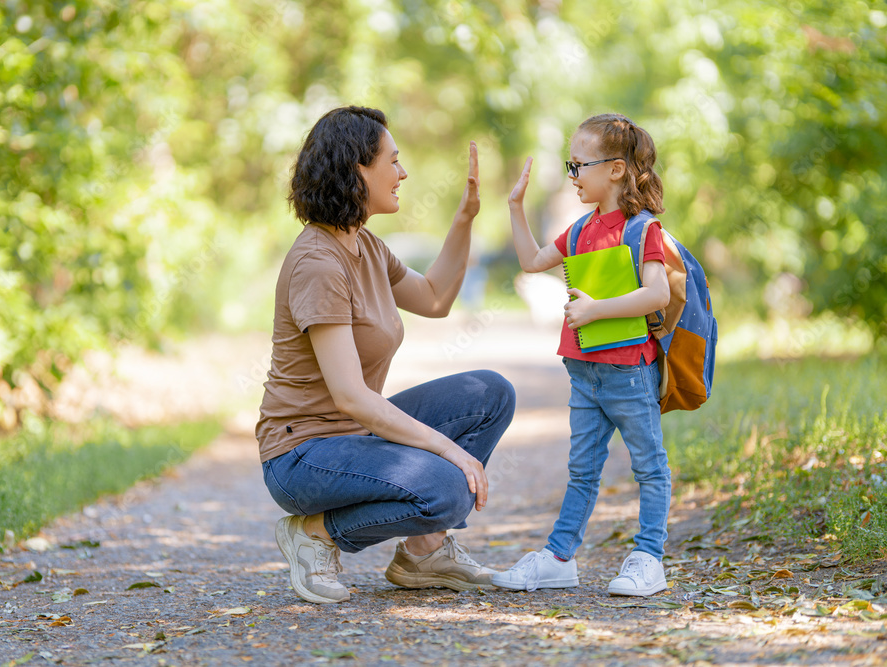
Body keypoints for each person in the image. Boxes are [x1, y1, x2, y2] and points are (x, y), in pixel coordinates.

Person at [257, 106, 516, 605]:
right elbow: (352, 396)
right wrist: (448, 449)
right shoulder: (318, 262)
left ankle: (424, 552)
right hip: (302, 457)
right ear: (357, 168)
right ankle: (314, 532)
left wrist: (464, 219)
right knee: (446, 488)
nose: (402, 173)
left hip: (353, 439)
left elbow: (436, 298)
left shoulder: (366, 246)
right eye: (393, 161)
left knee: (489, 393)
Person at [492, 113, 672, 596]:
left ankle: (648, 558)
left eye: (578, 166)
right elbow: (532, 262)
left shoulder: (641, 230)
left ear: (615, 169)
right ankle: (558, 557)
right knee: (582, 471)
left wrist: (595, 310)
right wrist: (515, 207)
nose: (572, 176)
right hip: (584, 372)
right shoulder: (578, 230)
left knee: (649, 467)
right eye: (569, 166)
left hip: (629, 372)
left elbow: (656, 295)